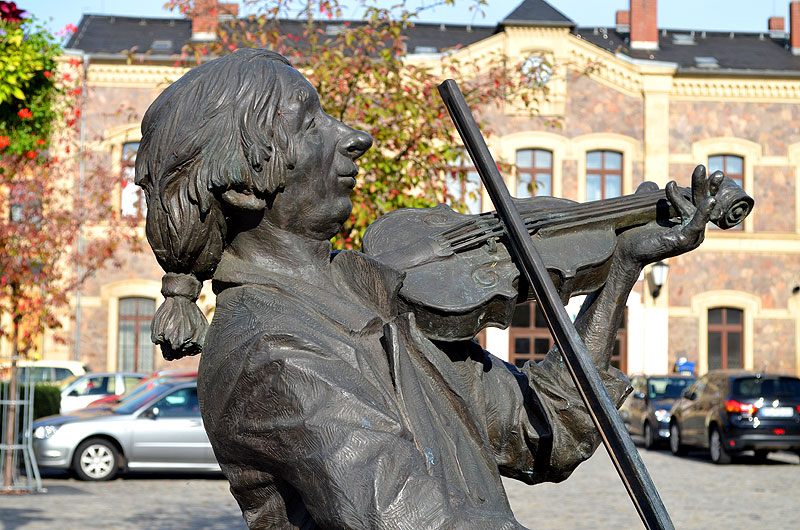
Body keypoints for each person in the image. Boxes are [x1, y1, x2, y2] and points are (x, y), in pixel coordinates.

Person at [136, 49, 719, 529]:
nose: (356, 136)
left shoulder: (373, 296)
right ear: (241, 184)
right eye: (310, 124)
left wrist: (618, 269)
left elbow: (541, 427)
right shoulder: (271, 352)